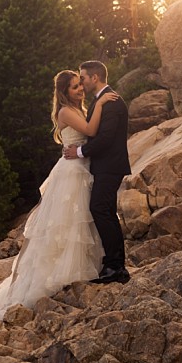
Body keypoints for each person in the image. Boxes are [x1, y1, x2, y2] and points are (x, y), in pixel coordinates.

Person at [0, 70, 118, 323]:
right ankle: (60, 273)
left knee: (84, 217)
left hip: (82, 167)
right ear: (64, 92)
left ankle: (90, 266)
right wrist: (102, 103)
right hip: (71, 172)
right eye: (74, 87)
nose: (79, 90)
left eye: (79, 85)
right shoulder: (65, 111)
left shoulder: (78, 108)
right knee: (66, 222)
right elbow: (90, 129)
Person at [63, 60, 131, 284]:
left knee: (100, 209)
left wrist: (80, 151)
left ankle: (115, 266)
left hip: (110, 166)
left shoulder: (111, 101)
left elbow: (105, 138)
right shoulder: (101, 100)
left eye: (82, 78)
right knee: (105, 211)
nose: (81, 82)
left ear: (94, 77)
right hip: (104, 166)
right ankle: (113, 264)